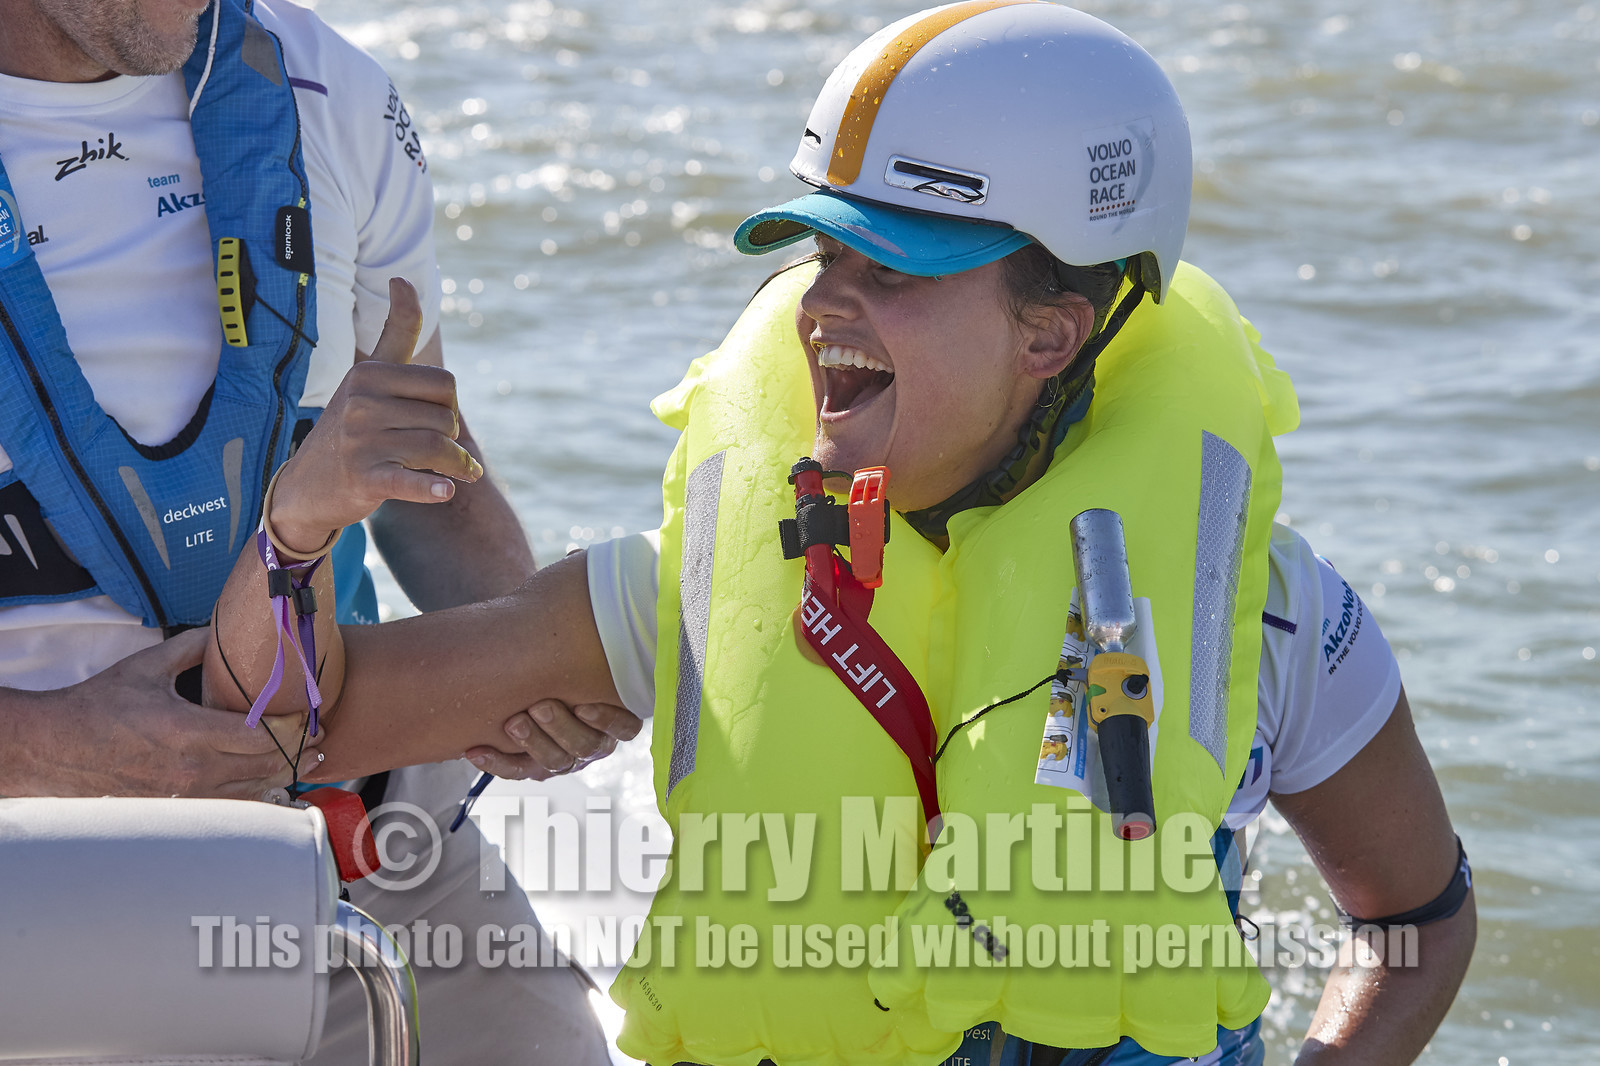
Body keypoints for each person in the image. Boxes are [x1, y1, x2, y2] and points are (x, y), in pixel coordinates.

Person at [209, 3, 1476, 1064]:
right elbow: (269, 730)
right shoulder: (688, 592)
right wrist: (300, 529)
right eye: (821, 257)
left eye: (900, 273)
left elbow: (1418, 918)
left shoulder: (1259, 609)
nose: (827, 308)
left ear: (1050, 334)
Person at [0, 0, 632, 1060]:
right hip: (46, 854)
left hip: (367, 812)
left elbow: (420, 435)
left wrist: (511, 666)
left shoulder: (331, 87)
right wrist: (53, 746)